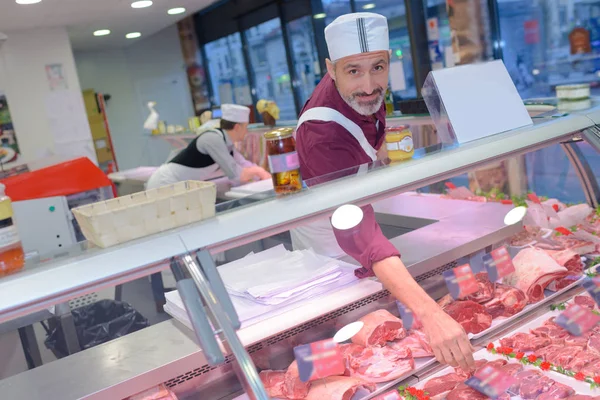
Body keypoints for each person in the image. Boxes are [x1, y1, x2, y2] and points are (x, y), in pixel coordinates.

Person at [293, 13, 475, 371]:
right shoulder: (320, 132)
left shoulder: (366, 94)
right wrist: (430, 313)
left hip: (357, 214)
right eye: (354, 71)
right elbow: (357, 233)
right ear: (331, 69)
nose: (369, 85)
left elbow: (372, 143)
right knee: (355, 338)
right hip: (330, 243)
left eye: (378, 67)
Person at [146, 104, 270, 190]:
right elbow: (237, 175)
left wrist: (265, 174)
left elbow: (242, 164)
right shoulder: (213, 139)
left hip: (179, 185)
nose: (247, 131)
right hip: (165, 183)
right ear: (237, 127)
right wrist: (258, 171)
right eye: (245, 127)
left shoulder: (227, 144)